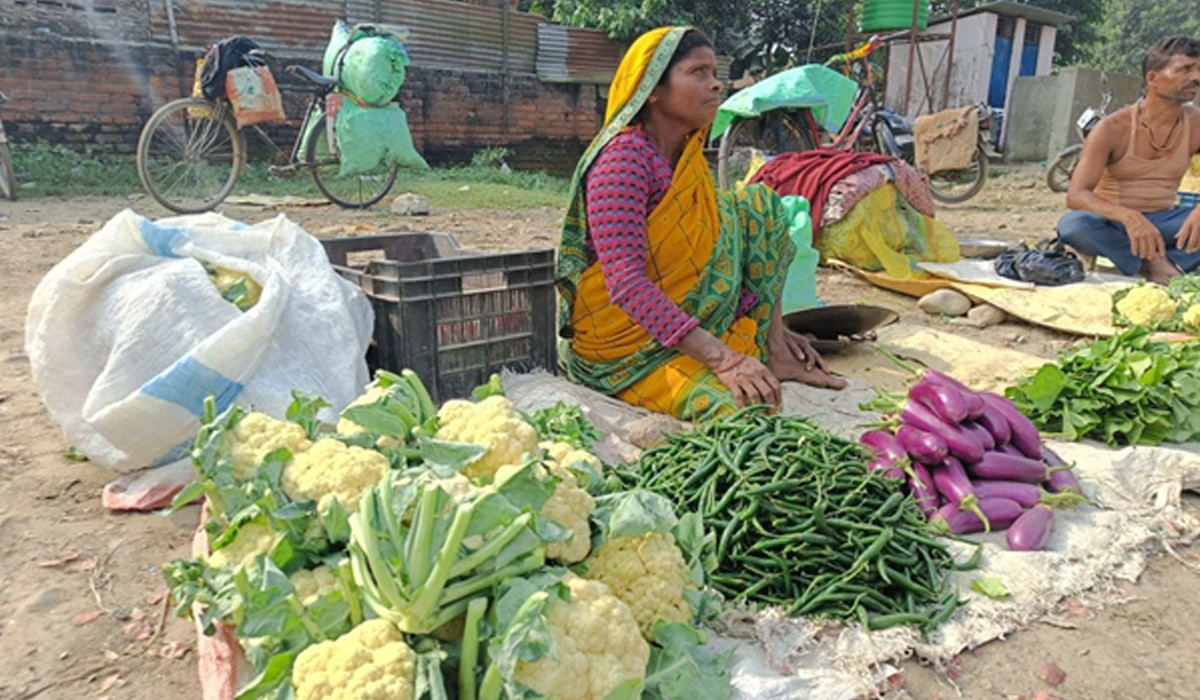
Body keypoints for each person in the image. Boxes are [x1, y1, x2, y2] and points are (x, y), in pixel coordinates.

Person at [556, 26, 845, 423]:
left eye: (715, 74)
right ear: (652, 89)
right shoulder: (622, 161)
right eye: (698, 73)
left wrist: (766, 334)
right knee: (742, 406)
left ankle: (776, 349)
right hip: (626, 345)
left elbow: (706, 246)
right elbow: (625, 283)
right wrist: (724, 359)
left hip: (676, 324)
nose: (716, 86)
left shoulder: (684, 156)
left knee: (759, 206)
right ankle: (725, 356)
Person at [1057, 36, 1200, 284]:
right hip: (1112, 224)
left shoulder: (1196, 122)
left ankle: (1162, 262)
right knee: (1073, 226)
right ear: (1153, 78)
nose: (1196, 77)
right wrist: (1130, 217)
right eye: (1185, 69)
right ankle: (1154, 263)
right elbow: (1076, 195)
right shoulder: (1112, 128)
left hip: (1164, 223)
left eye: (1198, 69)